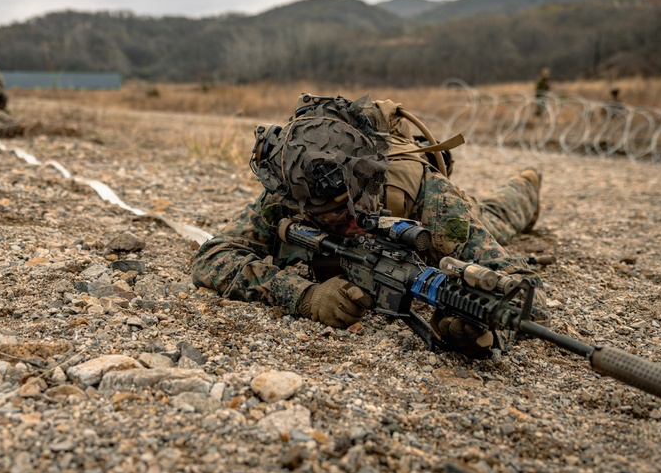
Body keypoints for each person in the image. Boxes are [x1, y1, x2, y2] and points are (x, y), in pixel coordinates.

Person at [191, 93, 545, 358]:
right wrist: (301, 296)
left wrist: (486, 331)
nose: (354, 217)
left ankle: (525, 187)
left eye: (359, 200)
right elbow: (213, 258)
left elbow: (521, 287)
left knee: (494, 218)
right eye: (334, 214)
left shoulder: (423, 191)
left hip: (427, 210)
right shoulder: (290, 189)